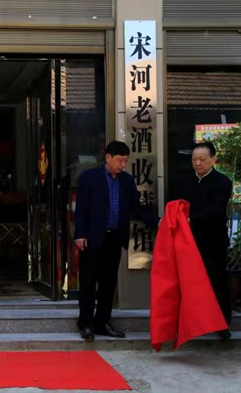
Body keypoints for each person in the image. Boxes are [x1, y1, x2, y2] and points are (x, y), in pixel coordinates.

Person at [73, 141, 143, 342]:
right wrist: (80, 234)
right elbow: (81, 209)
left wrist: (159, 221)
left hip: (114, 238)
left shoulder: (127, 181)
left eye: (126, 161)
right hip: (92, 238)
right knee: (88, 283)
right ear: (108, 157)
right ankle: (86, 323)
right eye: (120, 160)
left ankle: (102, 322)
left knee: (108, 283)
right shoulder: (89, 177)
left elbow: (136, 208)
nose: (123, 165)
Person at [177, 141, 233, 340]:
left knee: (217, 281)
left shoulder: (222, 182)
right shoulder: (185, 181)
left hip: (214, 241)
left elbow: (216, 210)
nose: (197, 163)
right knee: (190, 283)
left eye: (202, 159)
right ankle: (194, 323)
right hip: (189, 241)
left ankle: (222, 325)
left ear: (213, 160)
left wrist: (191, 219)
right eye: (194, 159)